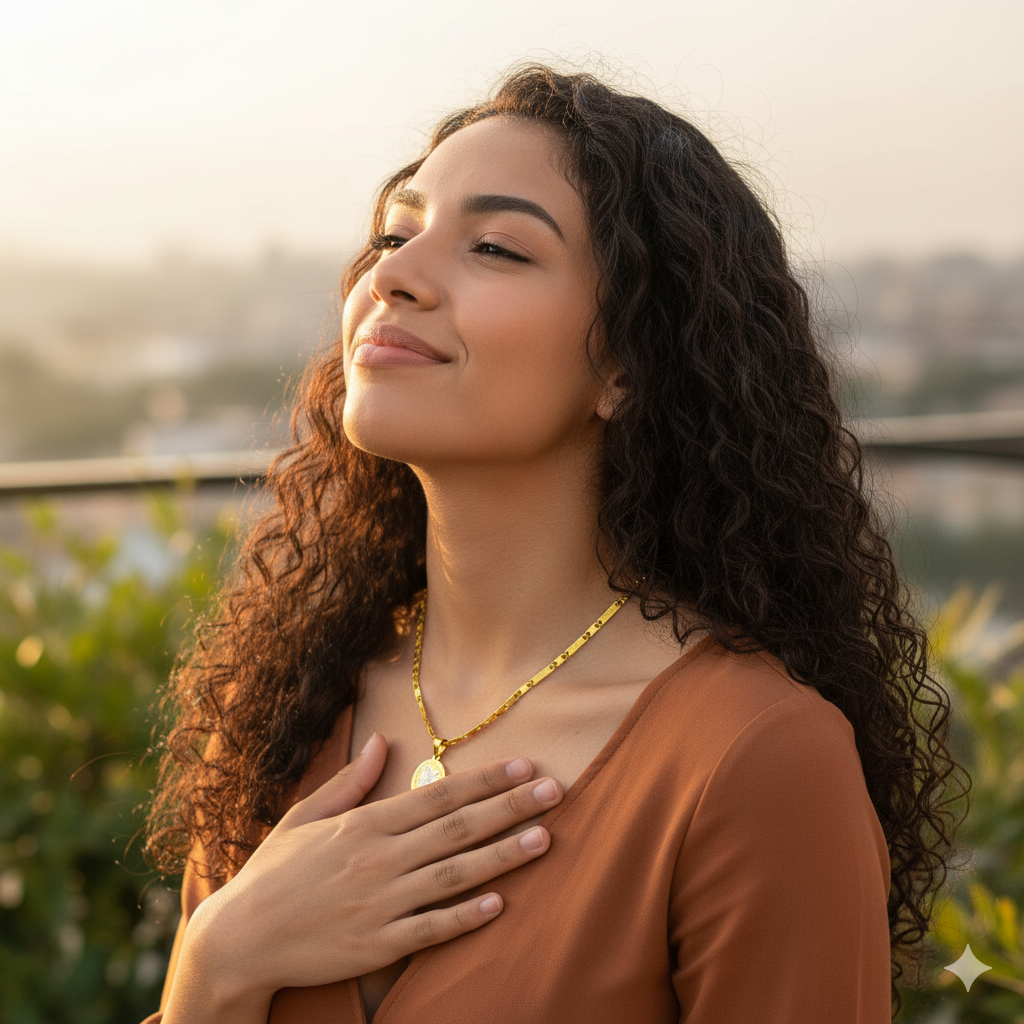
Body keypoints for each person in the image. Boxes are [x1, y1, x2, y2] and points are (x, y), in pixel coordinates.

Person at [141, 62, 969, 1023]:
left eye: (493, 246)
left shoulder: (755, 761)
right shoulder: (288, 705)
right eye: (393, 234)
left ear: (626, 365)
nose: (393, 278)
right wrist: (215, 968)